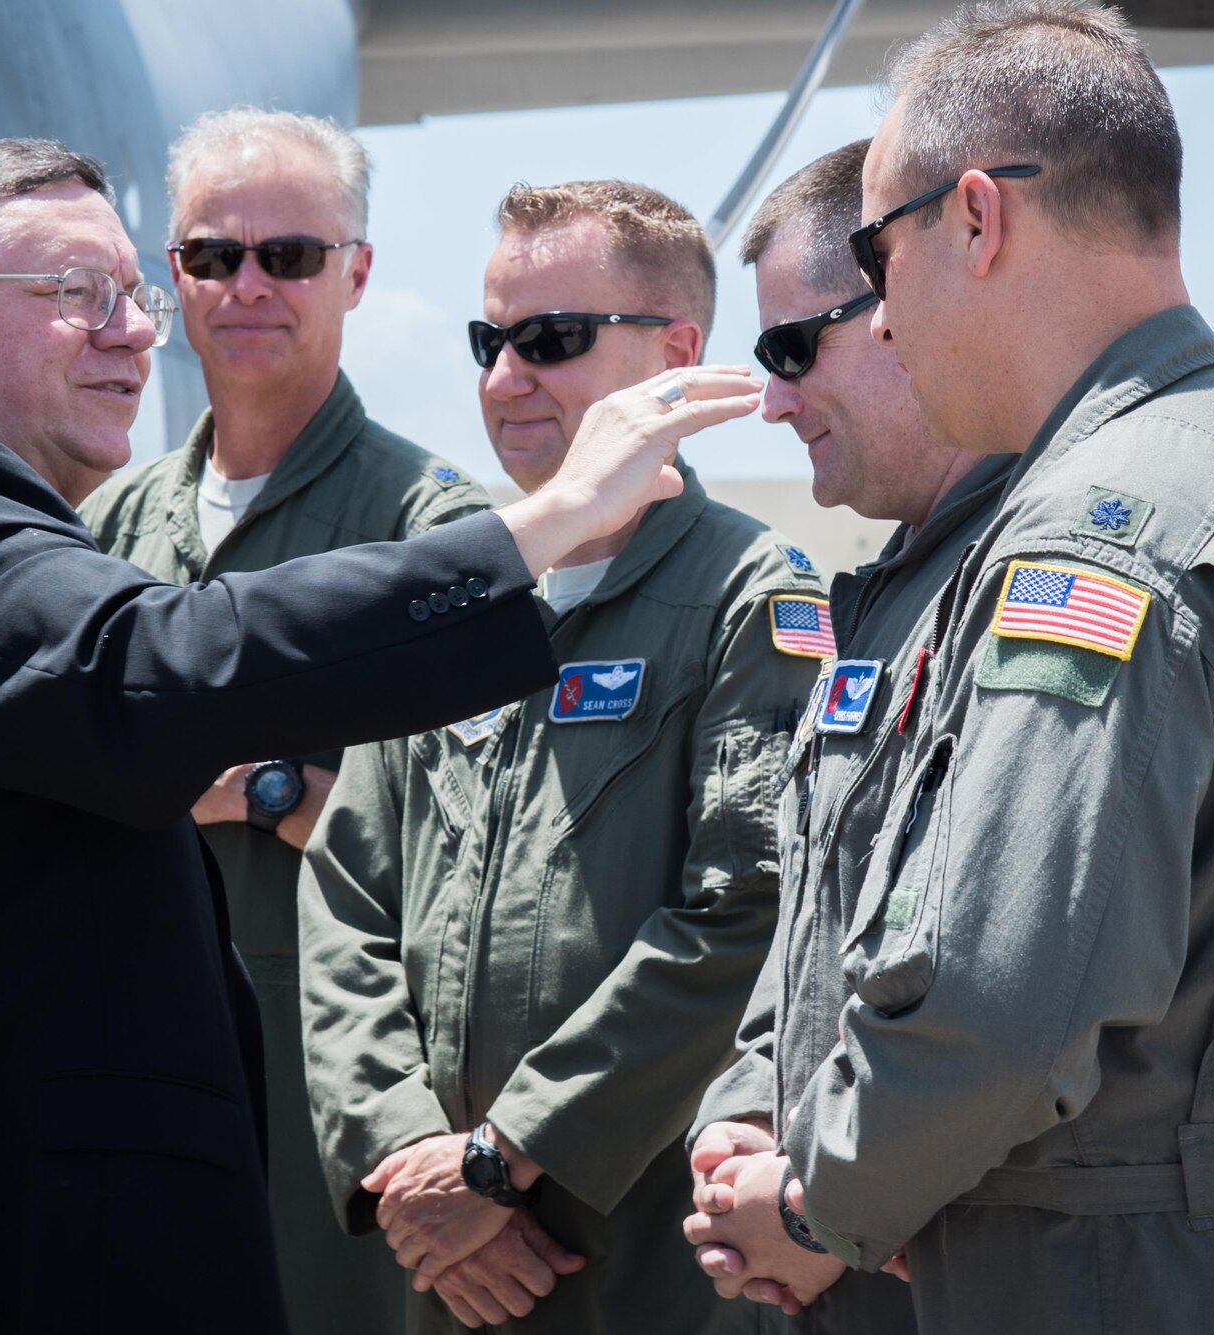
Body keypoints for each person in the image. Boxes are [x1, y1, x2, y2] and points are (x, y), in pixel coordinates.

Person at [0, 138, 764, 1334]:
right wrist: (538, 529)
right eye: (76, 295)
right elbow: (153, 671)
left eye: (130, 294)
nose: (135, 331)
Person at [682, 6, 1214, 1332]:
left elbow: (1004, 993)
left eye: (878, 259)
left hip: (1099, 1275)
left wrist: (814, 1203)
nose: (885, 318)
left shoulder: (1096, 533)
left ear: (976, 221)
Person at [299, 178, 827, 1333]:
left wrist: (503, 1159)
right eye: (490, 340)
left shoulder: (751, 599)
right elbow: (342, 899)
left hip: (644, 1266)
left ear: (677, 353)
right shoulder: (448, 592)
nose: (502, 378)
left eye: (550, 340)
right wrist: (408, 1168)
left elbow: (746, 914)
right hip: (445, 1266)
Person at [80, 109, 487, 1332]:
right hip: (131, 1069)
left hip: (339, 1097)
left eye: (290, 256)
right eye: (212, 256)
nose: (247, 285)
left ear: (355, 272)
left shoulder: (436, 532)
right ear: (172, 276)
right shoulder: (109, 525)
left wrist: (258, 789)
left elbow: (473, 860)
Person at [683, 139, 1014, 1335]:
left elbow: (1008, 988)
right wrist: (743, 1115)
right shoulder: (876, 598)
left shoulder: (1031, 580)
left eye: (786, 349)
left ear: (898, 310)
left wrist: (815, 1206)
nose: (769, 401)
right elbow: (813, 923)